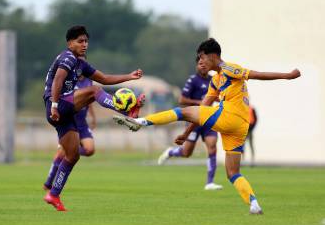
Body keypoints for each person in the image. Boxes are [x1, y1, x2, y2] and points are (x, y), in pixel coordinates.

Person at [113, 38, 301, 214]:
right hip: (239, 127)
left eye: (202, 57)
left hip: (230, 116)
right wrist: (187, 133)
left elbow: (257, 74)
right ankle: (254, 203)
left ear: (212, 56)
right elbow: (203, 109)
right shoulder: (216, 80)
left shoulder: (228, 69)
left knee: (182, 111)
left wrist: (288, 76)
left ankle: (140, 122)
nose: (201, 61)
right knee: (233, 172)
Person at [43, 25, 144, 211]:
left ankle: (53, 194)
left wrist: (129, 76)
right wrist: (55, 105)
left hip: (65, 112)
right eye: (80, 41)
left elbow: (104, 78)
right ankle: (127, 112)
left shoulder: (80, 63)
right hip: (56, 104)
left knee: (73, 155)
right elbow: (58, 80)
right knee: (94, 91)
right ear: (70, 43)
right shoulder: (67, 57)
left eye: (86, 41)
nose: (84, 44)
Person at [157, 56, 223, 191]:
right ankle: (170, 152)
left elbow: (218, 96)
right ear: (196, 66)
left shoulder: (213, 80)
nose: (202, 66)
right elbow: (182, 100)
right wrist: (201, 103)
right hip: (194, 120)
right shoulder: (193, 80)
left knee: (212, 147)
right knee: (187, 152)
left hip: (209, 120)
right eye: (200, 64)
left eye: (205, 63)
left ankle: (210, 182)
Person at [43, 74, 97, 192]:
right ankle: (48, 183)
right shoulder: (70, 79)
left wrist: (93, 116)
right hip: (69, 122)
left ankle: (69, 150)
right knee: (62, 154)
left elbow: (90, 98)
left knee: (90, 150)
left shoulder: (88, 80)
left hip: (82, 124)